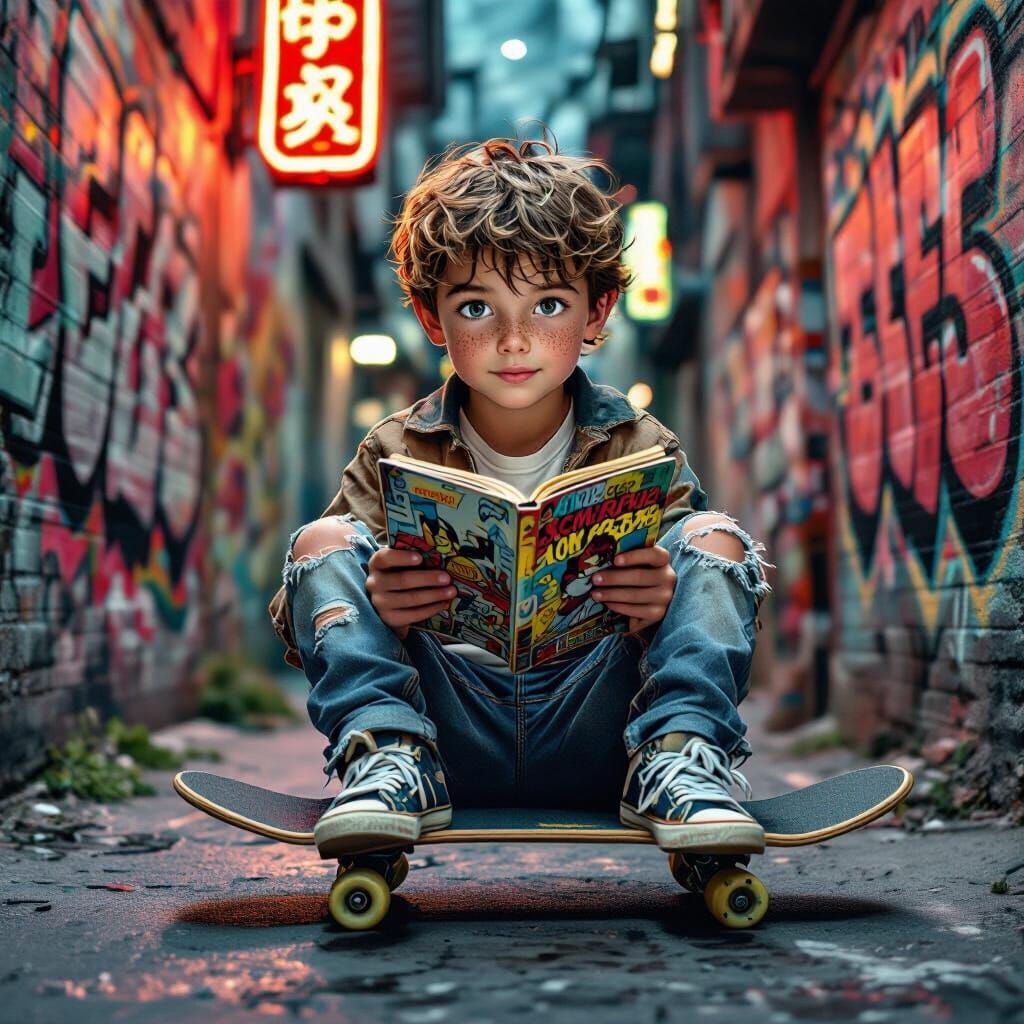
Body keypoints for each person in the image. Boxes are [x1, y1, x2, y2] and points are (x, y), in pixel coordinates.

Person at [267, 138, 773, 860]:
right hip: (441, 732)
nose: (513, 339)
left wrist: (663, 595)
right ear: (431, 318)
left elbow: (710, 601)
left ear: (597, 313)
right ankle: (382, 757)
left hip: (604, 728)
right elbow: (303, 614)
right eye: (477, 307)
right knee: (321, 543)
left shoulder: (638, 444)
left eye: (549, 304)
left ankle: (682, 757)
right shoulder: (396, 449)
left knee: (714, 538)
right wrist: (379, 602)